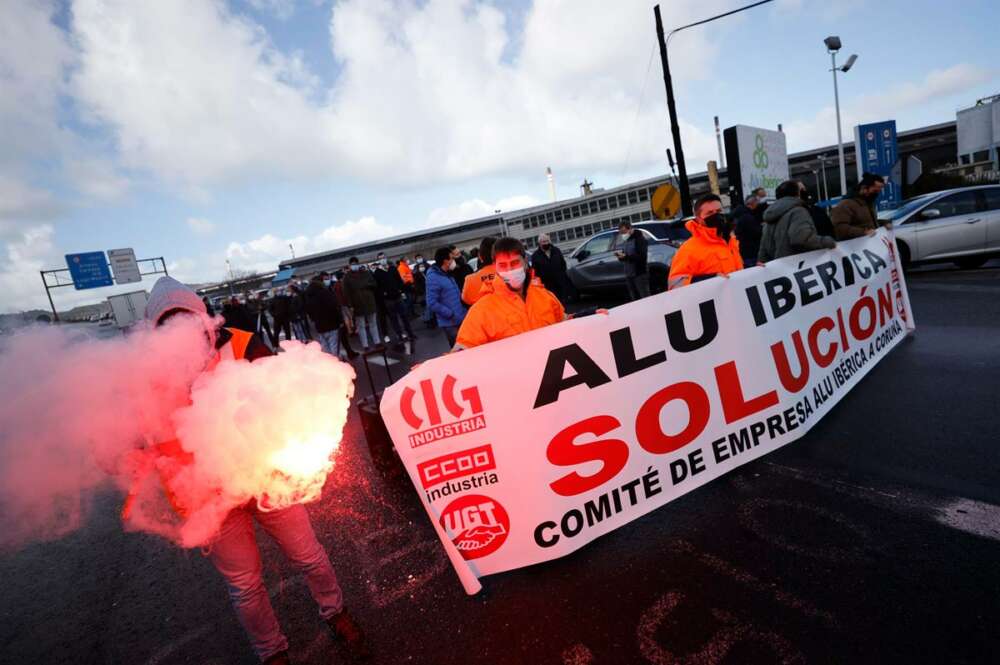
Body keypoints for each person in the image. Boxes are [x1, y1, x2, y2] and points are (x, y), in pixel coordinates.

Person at [137, 276, 368, 665]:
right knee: (245, 586)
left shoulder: (241, 343)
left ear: (203, 317)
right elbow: (150, 444)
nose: (181, 332)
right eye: (168, 324)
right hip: (212, 497)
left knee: (309, 557)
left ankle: (336, 611)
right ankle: (271, 651)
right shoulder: (148, 377)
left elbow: (285, 396)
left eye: (187, 319)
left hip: (265, 479)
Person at [454, 237, 601, 350]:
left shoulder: (545, 296)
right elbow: (463, 352)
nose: (510, 270)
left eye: (514, 263)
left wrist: (588, 317)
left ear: (525, 262)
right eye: (503, 265)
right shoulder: (481, 311)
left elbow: (563, 323)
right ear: (495, 267)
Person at [667, 193, 743, 289]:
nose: (716, 215)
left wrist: (754, 268)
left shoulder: (730, 240)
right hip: (714, 302)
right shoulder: (688, 249)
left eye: (719, 211)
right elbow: (675, 283)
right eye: (710, 213)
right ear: (699, 219)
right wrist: (709, 280)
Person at [758, 180, 837, 263]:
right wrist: (827, 241)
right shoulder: (798, 211)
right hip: (797, 265)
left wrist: (761, 264)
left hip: (780, 269)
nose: (805, 192)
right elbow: (801, 239)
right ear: (797, 193)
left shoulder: (770, 216)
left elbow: (763, 248)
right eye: (802, 190)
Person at [425, 247, 467, 347]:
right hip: (450, 324)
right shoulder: (433, 277)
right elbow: (431, 302)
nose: (454, 261)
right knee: (459, 351)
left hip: (461, 318)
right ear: (445, 261)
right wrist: (449, 314)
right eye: (452, 258)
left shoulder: (447, 273)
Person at [373, 252, 414, 342]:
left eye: (383, 257)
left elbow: (399, 281)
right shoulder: (377, 272)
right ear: (378, 260)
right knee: (393, 318)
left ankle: (410, 333)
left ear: (386, 258)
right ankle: (399, 335)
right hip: (388, 300)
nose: (382, 259)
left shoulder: (392, 268)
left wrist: (401, 290)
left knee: (404, 316)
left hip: (398, 296)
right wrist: (383, 294)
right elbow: (377, 287)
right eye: (380, 258)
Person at [342, 256, 381, 352]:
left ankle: (377, 342)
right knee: (361, 326)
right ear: (350, 265)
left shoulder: (366, 273)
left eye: (356, 263)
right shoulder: (347, 277)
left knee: (373, 323)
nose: (354, 265)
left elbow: (374, 284)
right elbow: (346, 293)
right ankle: (365, 345)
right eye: (352, 264)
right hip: (357, 305)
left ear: (358, 264)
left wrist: (367, 286)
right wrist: (350, 305)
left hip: (369, 302)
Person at [832, 172, 885, 240]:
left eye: (879, 191)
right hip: (855, 247)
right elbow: (840, 228)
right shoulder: (845, 204)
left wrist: (884, 223)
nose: (877, 194)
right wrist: (863, 232)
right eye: (875, 191)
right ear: (864, 188)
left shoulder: (868, 203)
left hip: (870, 245)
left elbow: (867, 223)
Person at [304, 272, 344, 358]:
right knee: (334, 346)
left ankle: (329, 364)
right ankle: (336, 363)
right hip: (331, 323)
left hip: (319, 325)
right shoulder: (325, 292)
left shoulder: (308, 295)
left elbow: (309, 311)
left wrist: (314, 320)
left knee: (325, 347)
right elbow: (334, 307)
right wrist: (340, 320)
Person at [530, 233, 572, 303]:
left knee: (564, 305)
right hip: (547, 286)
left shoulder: (556, 251)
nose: (546, 243)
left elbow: (563, 264)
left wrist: (562, 277)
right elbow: (535, 272)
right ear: (539, 243)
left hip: (560, 284)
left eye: (547, 241)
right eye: (544, 242)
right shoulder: (535, 256)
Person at [615, 220, 650, 301]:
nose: (623, 234)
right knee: (635, 299)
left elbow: (642, 257)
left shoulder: (639, 239)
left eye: (624, 232)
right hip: (629, 274)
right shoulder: (627, 240)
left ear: (630, 229)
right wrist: (621, 256)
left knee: (645, 297)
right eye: (621, 232)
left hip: (639, 274)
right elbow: (626, 256)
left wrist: (626, 257)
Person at [462, 237, 497, 306]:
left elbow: (466, 300)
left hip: (483, 314)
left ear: (480, 257)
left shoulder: (470, 280)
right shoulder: (510, 274)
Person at [732, 195, 762, 268]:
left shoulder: (738, 215)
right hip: (751, 251)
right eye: (757, 203)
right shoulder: (747, 217)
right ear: (753, 204)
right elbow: (757, 232)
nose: (758, 205)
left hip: (742, 250)